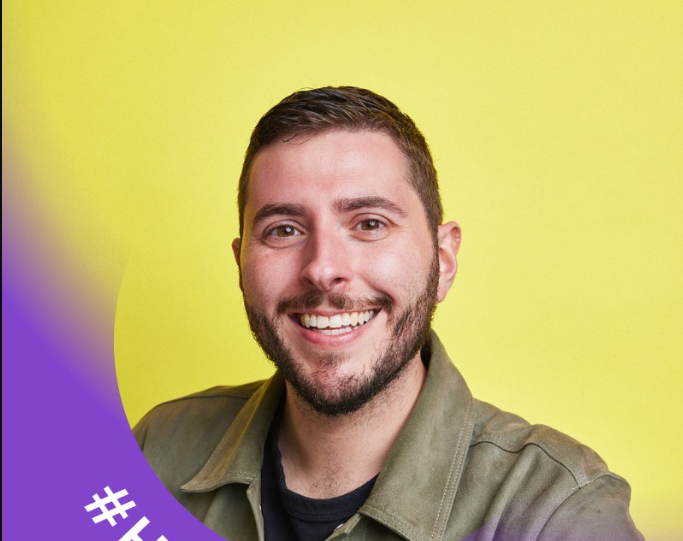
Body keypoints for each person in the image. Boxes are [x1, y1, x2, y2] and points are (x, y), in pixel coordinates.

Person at [134, 87, 643, 541]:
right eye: (284, 230)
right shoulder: (154, 453)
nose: (323, 269)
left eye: (369, 223)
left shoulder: (556, 513)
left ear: (443, 261)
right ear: (241, 265)